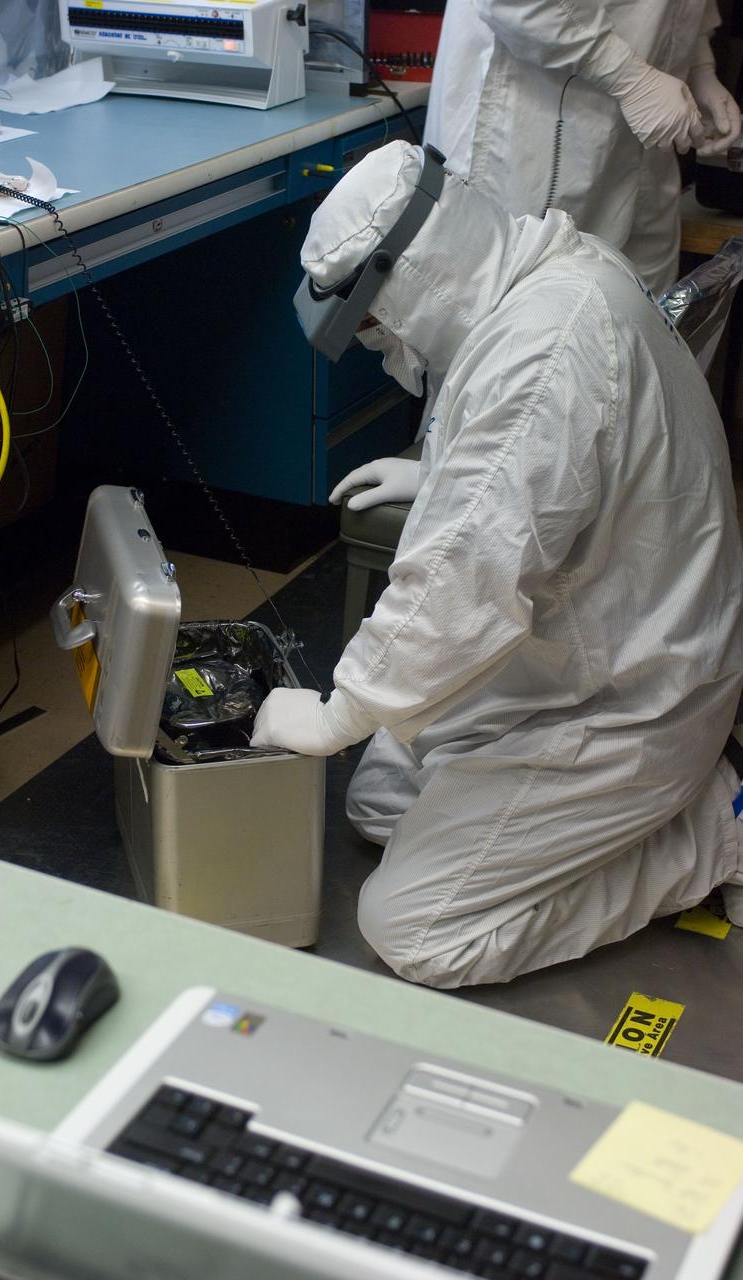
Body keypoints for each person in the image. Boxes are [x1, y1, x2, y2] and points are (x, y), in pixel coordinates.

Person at [250, 140, 743, 988]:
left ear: (412, 279)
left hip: (629, 700)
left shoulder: (543, 352)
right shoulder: (549, 273)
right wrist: (441, 473)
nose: (378, 343)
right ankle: (580, 822)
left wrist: (340, 713)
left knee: (413, 928)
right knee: (376, 806)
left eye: (373, 323)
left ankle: (710, 833)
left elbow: (463, 576)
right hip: (576, 645)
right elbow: (540, 474)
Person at [423, 0, 741, 296]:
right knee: (526, 326)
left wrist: (698, 63)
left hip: (644, 141)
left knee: (641, 329)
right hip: (536, 137)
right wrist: (630, 77)